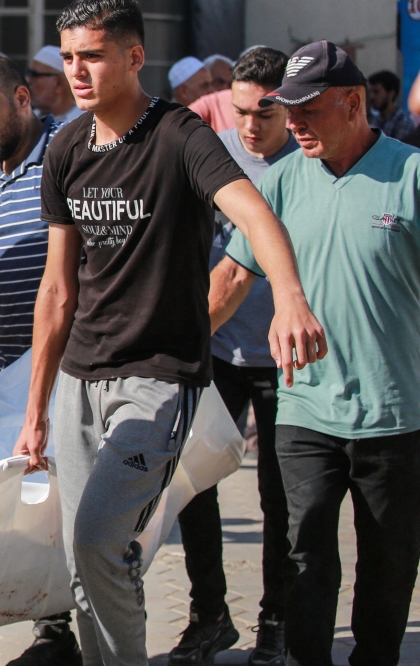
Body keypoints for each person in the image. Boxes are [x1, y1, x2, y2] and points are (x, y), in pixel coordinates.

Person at [13, 1, 326, 662]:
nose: (78, 71)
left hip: (159, 376)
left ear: (133, 56)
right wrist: (35, 405)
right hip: (79, 377)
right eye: (69, 57)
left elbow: (255, 213)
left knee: (102, 540)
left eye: (93, 55)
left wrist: (291, 297)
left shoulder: (181, 136)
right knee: (81, 557)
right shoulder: (66, 146)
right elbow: (57, 288)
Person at [218, 40, 420, 666]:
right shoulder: (280, 181)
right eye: (290, 110)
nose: (294, 123)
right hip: (304, 408)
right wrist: (159, 349)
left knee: (387, 566)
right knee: (305, 551)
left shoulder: (410, 175)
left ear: (355, 103)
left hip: (396, 412)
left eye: (309, 109)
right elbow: (230, 277)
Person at [169, 47, 298, 666]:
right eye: (242, 111)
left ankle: (276, 620)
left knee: (280, 498)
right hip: (213, 346)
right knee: (195, 485)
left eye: (265, 114)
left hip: (286, 358)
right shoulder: (210, 149)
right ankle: (208, 614)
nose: (250, 126)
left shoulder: (308, 158)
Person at [0, 55, 80, 666]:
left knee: (70, 501)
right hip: (6, 369)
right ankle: (52, 630)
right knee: (33, 502)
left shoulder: (67, 152)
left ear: (24, 99)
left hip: (66, 363)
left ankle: (80, 631)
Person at [26, 45, 85, 124]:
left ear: (59, 83)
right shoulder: (28, 120)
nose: (28, 80)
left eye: (35, 75)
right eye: (28, 73)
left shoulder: (84, 123)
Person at [367, 70, 414, 140]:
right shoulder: (372, 120)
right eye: (371, 91)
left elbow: (398, 148)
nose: (372, 97)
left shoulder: (403, 122)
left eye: (376, 92)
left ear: (391, 94)